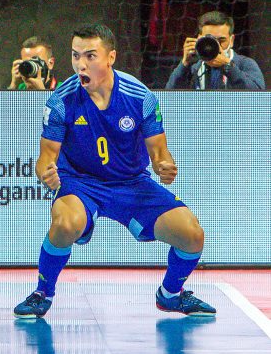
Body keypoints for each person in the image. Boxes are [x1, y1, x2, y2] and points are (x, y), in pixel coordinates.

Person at [14, 24, 216, 319]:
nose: (81, 64)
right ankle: (42, 293)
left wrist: (164, 166)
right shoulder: (61, 100)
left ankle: (171, 294)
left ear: (111, 58)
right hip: (81, 183)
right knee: (65, 225)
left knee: (192, 234)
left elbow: (159, 152)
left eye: (90, 56)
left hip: (132, 184)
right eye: (75, 55)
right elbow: (46, 157)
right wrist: (46, 173)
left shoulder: (139, 96)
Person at [165, 11, 265, 90]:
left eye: (221, 40)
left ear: (232, 40)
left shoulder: (245, 64)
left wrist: (229, 66)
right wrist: (184, 64)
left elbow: (258, 96)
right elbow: (169, 97)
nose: (216, 45)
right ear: (199, 39)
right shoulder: (193, 67)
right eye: (210, 40)